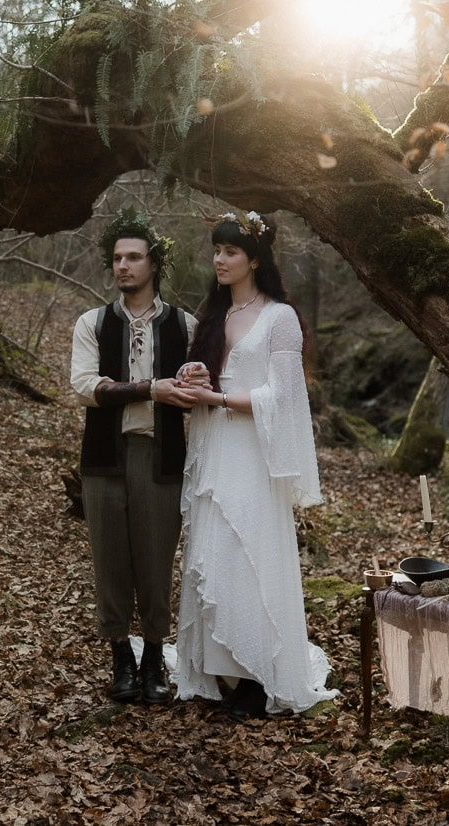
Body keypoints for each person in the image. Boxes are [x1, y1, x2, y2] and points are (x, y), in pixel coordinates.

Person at [171, 211, 338, 720]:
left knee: (247, 553)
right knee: (214, 550)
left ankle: (255, 676)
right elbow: (210, 376)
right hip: (214, 448)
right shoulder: (215, 313)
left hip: (252, 451)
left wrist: (219, 398)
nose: (220, 260)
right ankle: (219, 668)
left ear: (256, 259)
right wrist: (194, 373)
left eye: (231, 252)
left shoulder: (279, 317)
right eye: (216, 251)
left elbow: (284, 396)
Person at [69, 210, 197, 705]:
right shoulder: (93, 323)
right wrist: (149, 388)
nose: (123, 266)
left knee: (156, 559)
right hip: (104, 456)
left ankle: (153, 660)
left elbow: (202, 386)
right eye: (117, 258)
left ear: (154, 263)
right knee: (110, 560)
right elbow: (83, 386)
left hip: (162, 456)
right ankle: (120, 656)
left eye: (134, 257)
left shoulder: (184, 324)